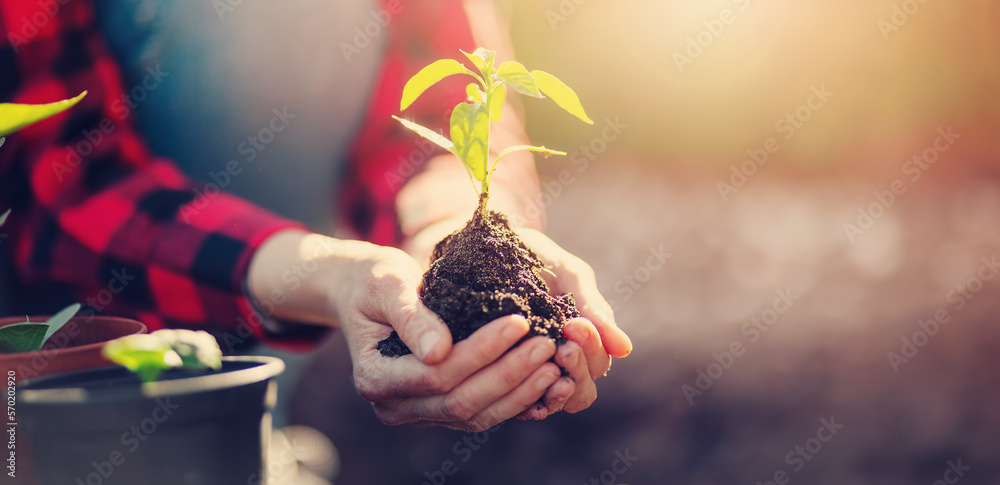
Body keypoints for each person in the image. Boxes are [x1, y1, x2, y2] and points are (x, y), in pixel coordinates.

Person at [0, 0, 632, 431]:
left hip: (280, 281)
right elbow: (64, 180)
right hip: (50, 321)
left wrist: (446, 234)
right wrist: (327, 271)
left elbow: (443, 108)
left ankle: (250, 413)